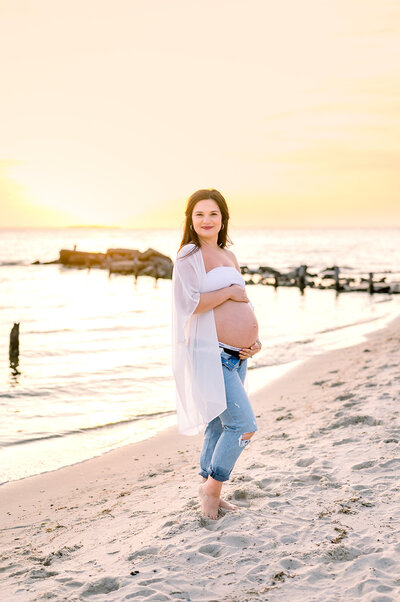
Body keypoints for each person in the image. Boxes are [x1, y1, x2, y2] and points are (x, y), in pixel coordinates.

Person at [171, 188, 262, 519]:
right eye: (199, 214)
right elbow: (190, 304)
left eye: (213, 214)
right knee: (243, 426)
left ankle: (206, 485)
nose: (206, 220)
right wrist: (228, 292)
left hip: (237, 355)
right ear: (190, 220)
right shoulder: (189, 255)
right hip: (211, 355)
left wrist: (254, 342)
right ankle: (211, 491)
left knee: (219, 425)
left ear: (223, 218)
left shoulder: (228, 255)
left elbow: (242, 303)